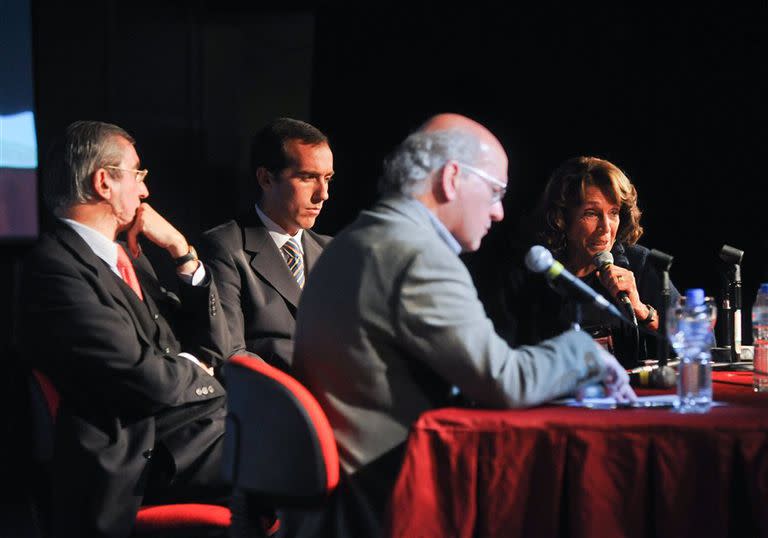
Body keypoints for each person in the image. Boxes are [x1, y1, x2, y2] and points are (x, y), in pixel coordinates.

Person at [291, 114, 635, 528]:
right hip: (393, 505)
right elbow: (505, 382)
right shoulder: (417, 256)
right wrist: (584, 353)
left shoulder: (354, 240)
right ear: (451, 179)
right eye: (494, 192)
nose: (499, 212)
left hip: (337, 506)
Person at [18, 121, 231, 538]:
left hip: (188, 428)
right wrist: (196, 368)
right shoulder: (54, 269)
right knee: (297, 457)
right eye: (137, 175)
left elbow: (213, 347)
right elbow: (141, 376)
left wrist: (181, 251)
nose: (145, 191)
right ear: (104, 182)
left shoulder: (124, 257)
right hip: (140, 454)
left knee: (308, 446)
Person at [486, 156, 680, 368]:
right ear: (561, 218)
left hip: (626, 395)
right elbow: (498, 361)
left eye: (613, 213)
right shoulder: (529, 273)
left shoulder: (639, 264)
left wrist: (642, 310)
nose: (606, 227)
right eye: (591, 214)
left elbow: (698, 347)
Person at [199, 118, 333, 371]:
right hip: (274, 402)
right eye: (308, 177)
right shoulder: (225, 247)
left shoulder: (332, 252)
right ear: (266, 179)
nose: (323, 194)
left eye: (327, 178)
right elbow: (231, 353)